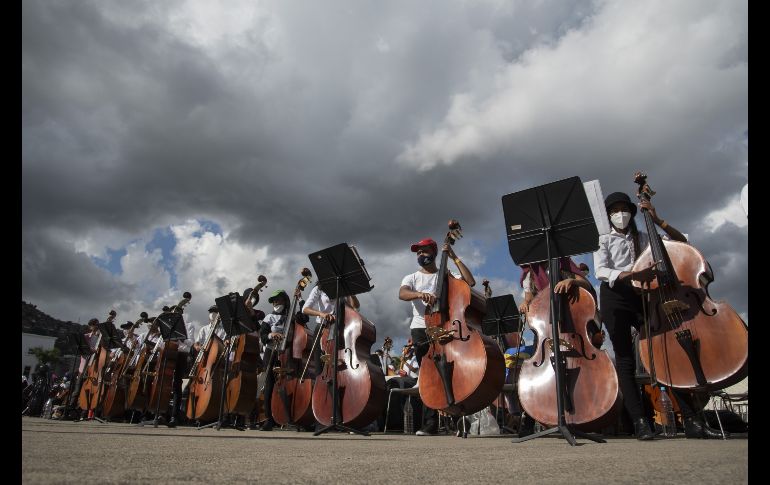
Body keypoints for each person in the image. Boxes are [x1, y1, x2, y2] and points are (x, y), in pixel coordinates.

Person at [593, 191, 722, 440]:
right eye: (614, 211)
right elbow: (601, 270)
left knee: (665, 350)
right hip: (615, 296)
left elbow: (681, 242)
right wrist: (631, 276)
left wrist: (658, 220)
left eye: (624, 209)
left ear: (632, 212)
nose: (620, 215)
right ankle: (640, 422)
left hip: (644, 296)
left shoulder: (644, 237)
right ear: (608, 216)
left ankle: (692, 419)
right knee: (624, 358)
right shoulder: (603, 239)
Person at [398, 237, 476, 436]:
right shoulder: (412, 278)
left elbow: (470, 281)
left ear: (433, 252)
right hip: (420, 329)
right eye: (418, 252)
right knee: (429, 376)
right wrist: (419, 294)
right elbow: (402, 293)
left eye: (423, 251)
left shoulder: (447, 275)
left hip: (446, 327)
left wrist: (454, 256)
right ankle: (430, 423)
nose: (420, 255)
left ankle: (458, 418)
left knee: (451, 373)